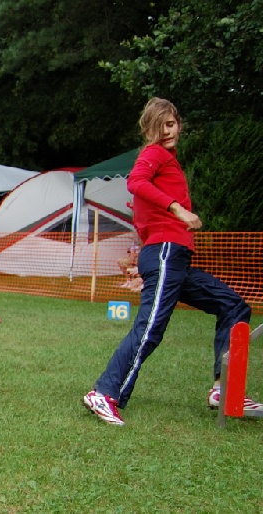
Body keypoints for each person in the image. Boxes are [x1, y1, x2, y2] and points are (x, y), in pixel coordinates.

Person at [82, 97, 261, 427]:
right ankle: (104, 393)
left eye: (172, 123)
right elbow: (136, 182)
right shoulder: (153, 154)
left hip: (176, 258)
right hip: (164, 252)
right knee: (150, 328)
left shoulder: (169, 161)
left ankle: (223, 388)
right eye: (161, 125)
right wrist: (177, 209)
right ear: (150, 129)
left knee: (235, 307)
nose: (169, 130)